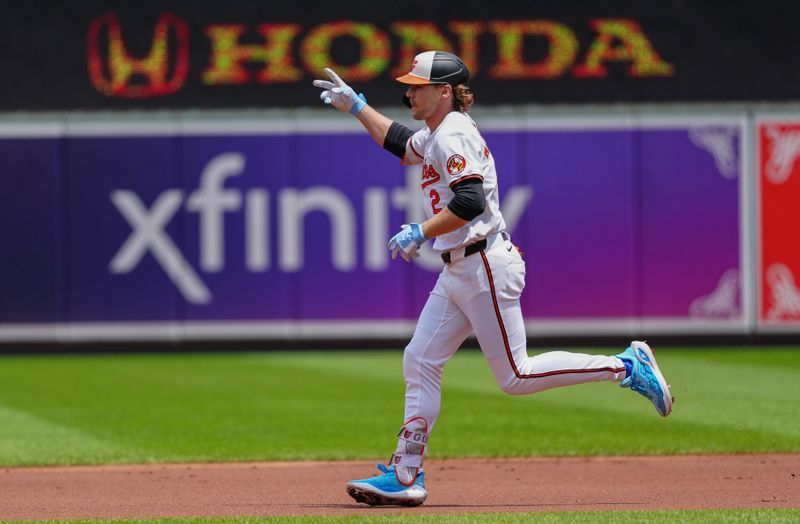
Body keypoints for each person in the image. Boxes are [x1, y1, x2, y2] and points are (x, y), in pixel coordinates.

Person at [313, 50, 673, 507]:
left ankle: (626, 365)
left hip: (482, 263)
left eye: (417, 87)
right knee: (420, 359)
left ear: (443, 91)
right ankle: (405, 475)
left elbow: (470, 202)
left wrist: (420, 230)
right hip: (460, 268)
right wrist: (358, 107)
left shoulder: (454, 134)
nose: (408, 93)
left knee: (516, 376)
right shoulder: (439, 132)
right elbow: (403, 144)